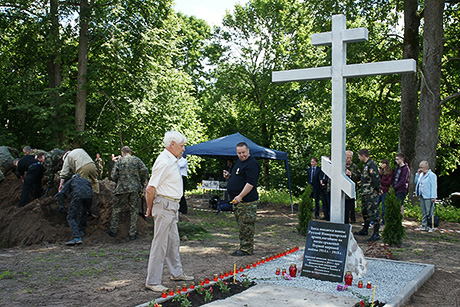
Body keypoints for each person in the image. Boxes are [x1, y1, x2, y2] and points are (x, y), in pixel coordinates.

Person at [145, 131, 194, 292]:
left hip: (172, 205)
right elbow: (150, 188)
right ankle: (152, 281)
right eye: (181, 146)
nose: (183, 149)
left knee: (173, 241)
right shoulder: (164, 162)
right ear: (172, 144)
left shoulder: (172, 160)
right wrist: (150, 208)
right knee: (160, 244)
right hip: (164, 205)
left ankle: (176, 273)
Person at [223, 142, 261, 256]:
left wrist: (240, 196)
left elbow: (250, 183)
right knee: (242, 225)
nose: (242, 155)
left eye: (243, 152)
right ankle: (243, 246)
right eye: (239, 153)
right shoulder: (239, 162)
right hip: (238, 202)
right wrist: (229, 176)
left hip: (247, 201)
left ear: (248, 151)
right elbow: (238, 178)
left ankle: (246, 249)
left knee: (246, 225)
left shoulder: (252, 164)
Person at [106, 146, 148, 240]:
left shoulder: (119, 161)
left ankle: (113, 230)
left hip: (122, 189)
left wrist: (118, 180)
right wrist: (142, 181)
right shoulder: (136, 160)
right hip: (135, 188)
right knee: (134, 210)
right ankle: (132, 233)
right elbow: (145, 170)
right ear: (130, 152)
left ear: (122, 153)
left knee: (117, 209)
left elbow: (113, 175)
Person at [57, 174, 93, 245]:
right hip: (90, 195)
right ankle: (81, 230)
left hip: (78, 195)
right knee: (85, 212)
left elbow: (62, 193)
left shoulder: (71, 181)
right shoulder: (85, 181)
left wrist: (61, 205)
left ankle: (77, 237)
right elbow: (89, 190)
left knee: (71, 217)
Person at [354, 149, 381, 242]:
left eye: (359, 156)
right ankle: (365, 229)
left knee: (373, 212)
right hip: (365, 193)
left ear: (363, 155)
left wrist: (378, 190)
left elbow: (375, 179)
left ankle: (376, 233)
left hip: (371, 193)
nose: (358, 158)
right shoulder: (366, 165)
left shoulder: (372, 165)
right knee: (365, 212)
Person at [415, 161, 437, 231]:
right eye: (420, 167)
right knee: (423, 211)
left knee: (429, 212)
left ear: (425, 168)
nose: (420, 169)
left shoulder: (432, 175)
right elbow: (416, 182)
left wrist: (433, 196)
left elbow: (434, 186)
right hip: (422, 195)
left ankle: (431, 226)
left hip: (429, 196)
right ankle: (424, 225)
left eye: (421, 167)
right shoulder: (421, 175)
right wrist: (417, 174)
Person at [345, 150, 360, 224]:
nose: (349, 159)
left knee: (349, 208)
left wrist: (351, 174)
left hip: (349, 191)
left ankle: (349, 221)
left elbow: (358, 177)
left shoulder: (354, 166)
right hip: (340, 190)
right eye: (347, 157)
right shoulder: (339, 165)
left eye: (350, 158)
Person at [377, 159, 393, 225]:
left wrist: (381, 183)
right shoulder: (380, 172)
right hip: (379, 190)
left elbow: (388, 182)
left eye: (383, 163)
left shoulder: (389, 172)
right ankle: (375, 221)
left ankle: (384, 221)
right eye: (381, 163)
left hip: (385, 191)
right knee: (376, 206)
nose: (382, 165)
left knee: (384, 207)